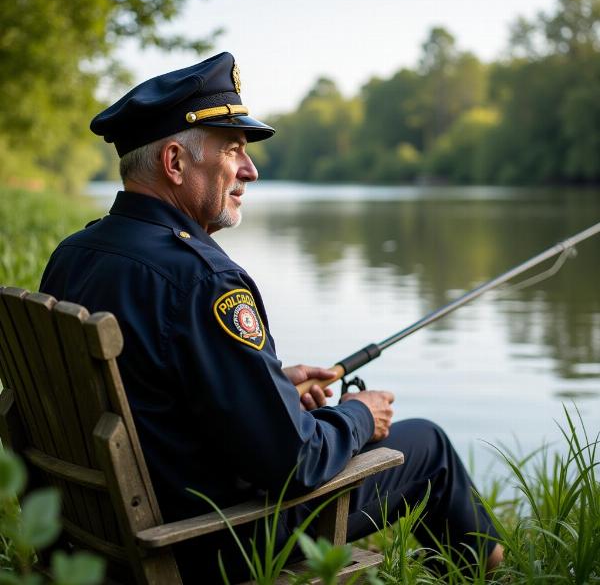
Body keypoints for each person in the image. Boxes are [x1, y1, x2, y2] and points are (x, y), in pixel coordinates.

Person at [40, 52, 502, 582]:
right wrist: (357, 415)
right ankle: (492, 576)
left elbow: (147, 384)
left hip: (100, 528)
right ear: (174, 162)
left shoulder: (76, 253)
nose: (251, 171)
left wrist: (268, 386)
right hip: (209, 540)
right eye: (233, 150)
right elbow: (295, 462)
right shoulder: (205, 280)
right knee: (429, 448)